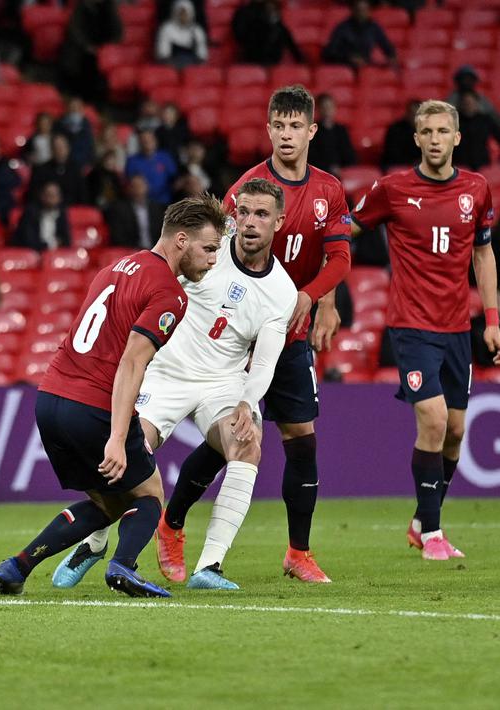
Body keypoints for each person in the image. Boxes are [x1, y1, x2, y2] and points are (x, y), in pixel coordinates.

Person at [0, 194, 226, 598]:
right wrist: (117, 437)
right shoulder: (170, 292)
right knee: (149, 493)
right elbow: (131, 361)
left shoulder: (114, 268)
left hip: (51, 399)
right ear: (181, 240)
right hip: (93, 405)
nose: (213, 259)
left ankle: (17, 566)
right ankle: (123, 567)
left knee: (109, 503)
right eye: (209, 248)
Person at [67, 178, 297, 590]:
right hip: (165, 371)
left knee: (247, 442)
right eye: (243, 212)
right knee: (130, 451)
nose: (249, 222)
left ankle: (210, 567)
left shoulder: (282, 291)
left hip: (222, 381)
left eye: (261, 214)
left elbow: (265, 359)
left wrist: (247, 403)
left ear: (279, 222)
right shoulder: (206, 250)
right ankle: (94, 541)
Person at [169, 85, 352, 584]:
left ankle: (298, 553)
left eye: (297, 126)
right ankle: (172, 523)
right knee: (227, 440)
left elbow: (340, 257)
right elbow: (217, 255)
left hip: (290, 333)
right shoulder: (247, 190)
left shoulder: (329, 190)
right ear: (268, 129)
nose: (287, 135)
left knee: (302, 440)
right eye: (280, 125)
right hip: (239, 338)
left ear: (312, 130)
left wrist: (315, 297)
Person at [350, 100, 498, 561]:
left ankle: (420, 521)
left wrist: (492, 319)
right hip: (411, 326)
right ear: (416, 139)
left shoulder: (476, 189)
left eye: (442, 131)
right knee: (433, 420)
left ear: (457, 138)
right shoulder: (392, 189)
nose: (435, 139)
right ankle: (433, 533)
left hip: (457, 328)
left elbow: (483, 254)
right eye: (427, 132)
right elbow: (347, 230)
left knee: (455, 430)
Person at [57, 0, 123, 103]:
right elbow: (76, 32)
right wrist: (88, 47)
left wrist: (106, 48)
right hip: (81, 53)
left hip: (101, 52)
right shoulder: (81, 8)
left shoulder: (109, 8)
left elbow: (117, 32)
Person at [321, 0, 397, 69]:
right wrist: (349, 58)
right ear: (353, 11)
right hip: (345, 67)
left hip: (365, 67)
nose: (362, 13)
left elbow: (386, 46)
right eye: (359, 10)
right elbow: (329, 53)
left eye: (365, 10)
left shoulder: (374, 27)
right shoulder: (342, 28)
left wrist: (391, 56)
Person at [230, 0, 303, 66]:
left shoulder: (270, 10)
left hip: (272, 58)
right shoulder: (243, 12)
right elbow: (239, 35)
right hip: (251, 57)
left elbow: (284, 33)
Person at [106, 175, 165, 249]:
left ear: (147, 187)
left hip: (155, 250)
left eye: (141, 185)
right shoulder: (119, 210)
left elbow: (163, 233)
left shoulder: (157, 208)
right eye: (135, 186)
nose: (138, 189)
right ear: (129, 189)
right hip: (131, 251)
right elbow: (118, 237)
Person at [29, 134, 87, 206]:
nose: (60, 150)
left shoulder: (76, 169)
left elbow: (82, 194)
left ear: (68, 148)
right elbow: (33, 194)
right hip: (47, 208)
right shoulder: (41, 170)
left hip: (71, 207)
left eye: (62, 147)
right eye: (56, 147)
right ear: (52, 149)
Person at [306, 94, 355, 177]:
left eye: (330, 107)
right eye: (324, 107)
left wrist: (342, 169)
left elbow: (349, 154)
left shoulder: (341, 130)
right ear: (318, 110)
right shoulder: (313, 130)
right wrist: (329, 168)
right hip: (321, 172)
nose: (327, 110)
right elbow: (311, 157)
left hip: (341, 171)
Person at [13, 182, 71, 253]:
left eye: (55, 195)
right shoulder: (30, 213)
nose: (52, 198)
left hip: (55, 253)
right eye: (49, 195)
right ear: (42, 196)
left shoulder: (61, 213)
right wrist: (51, 244)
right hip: (32, 253)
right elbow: (29, 242)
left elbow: (67, 240)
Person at [125, 130, 178, 206]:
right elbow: (131, 183)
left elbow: (174, 178)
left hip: (165, 201)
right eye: (144, 140)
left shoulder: (165, 157)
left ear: (155, 140)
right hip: (143, 203)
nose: (147, 142)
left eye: (150, 139)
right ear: (139, 143)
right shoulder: (132, 161)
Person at [454, 91, 500, 171]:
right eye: (465, 103)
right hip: (460, 165)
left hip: (483, 165)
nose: (468, 105)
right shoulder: (454, 121)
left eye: (471, 102)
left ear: (477, 103)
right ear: (460, 104)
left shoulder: (486, 120)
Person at [155, 0, 207, 69]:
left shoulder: (197, 30)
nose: (183, 16)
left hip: (192, 67)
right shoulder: (166, 29)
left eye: (185, 13)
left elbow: (202, 55)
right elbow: (163, 54)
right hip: (171, 66)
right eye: (181, 13)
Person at [381, 100, 422, 172]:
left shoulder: (427, 130)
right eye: (413, 114)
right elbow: (393, 155)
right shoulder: (395, 129)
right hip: (396, 165)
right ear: (407, 113)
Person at [57, 96, 96, 169]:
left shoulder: (87, 126)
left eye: (78, 108)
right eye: (72, 107)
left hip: (82, 166)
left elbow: (90, 148)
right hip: (65, 166)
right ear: (67, 109)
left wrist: (90, 164)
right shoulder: (59, 125)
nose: (75, 110)